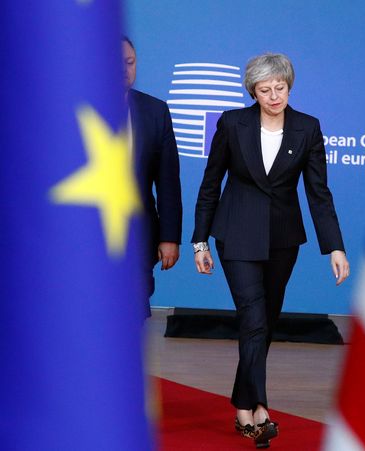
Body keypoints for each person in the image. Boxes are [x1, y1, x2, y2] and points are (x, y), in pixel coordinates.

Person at [192, 53, 349, 447]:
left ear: (289, 86)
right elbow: (211, 183)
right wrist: (200, 240)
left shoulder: (307, 128)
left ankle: (246, 399)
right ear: (253, 91)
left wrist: (335, 247)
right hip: (236, 235)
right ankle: (254, 409)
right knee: (254, 319)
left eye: (280, 87)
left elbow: (318, 193)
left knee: (267, 321)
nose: (274, 95)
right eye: (265, 89)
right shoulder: (232, 123)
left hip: (282, 240)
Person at [123, 36, 182, 317]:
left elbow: (168, 181)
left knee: (133, 314)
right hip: (81, 239)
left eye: (130, 62)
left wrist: (169, 237)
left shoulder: (155, 110)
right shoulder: (69, 108)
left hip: (138, 235)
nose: (124, 69)